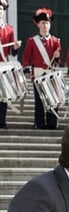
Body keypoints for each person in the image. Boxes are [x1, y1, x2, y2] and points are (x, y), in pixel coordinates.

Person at [21, 7, 61, 130]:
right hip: (37, 73)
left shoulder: (56, 41)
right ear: (38, 24)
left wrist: (58, 57)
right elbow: (26, 58)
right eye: (43, 23)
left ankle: (52, 123)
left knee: (52, 99)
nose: (45, 25)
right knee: (39, 101)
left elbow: (58, 61)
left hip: (50, 73)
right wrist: (27, 70)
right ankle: (39, 123)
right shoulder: (32, 41)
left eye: (47, 23)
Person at [0, 0, 21, 129]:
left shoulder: (9, 30)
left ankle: (2, 121)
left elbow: (12, 53)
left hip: (3, 65)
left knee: (3, 96)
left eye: (1, 10)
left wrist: (16, 47)